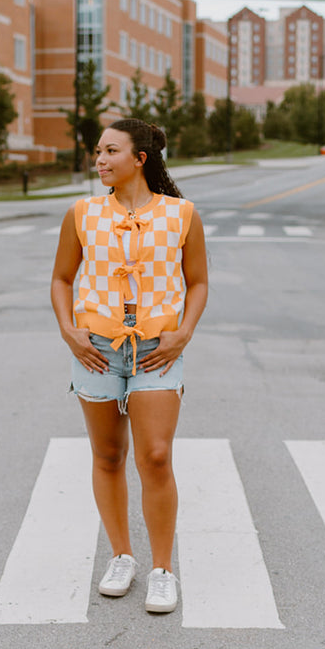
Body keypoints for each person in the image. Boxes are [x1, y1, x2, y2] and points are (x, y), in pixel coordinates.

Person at [50, 119, 209, 615]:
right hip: (96, 347)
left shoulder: (182, 214)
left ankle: (162, 569)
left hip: (157, 349)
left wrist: (183, 332)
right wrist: (69, 331)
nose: (99, 160)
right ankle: (122, 556)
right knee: (107, 456)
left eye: (110, 151)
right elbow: (60, 279)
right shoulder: (82, 213)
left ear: (140, 158)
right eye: (97, 151)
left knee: (156, 456)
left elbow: (198, 281)